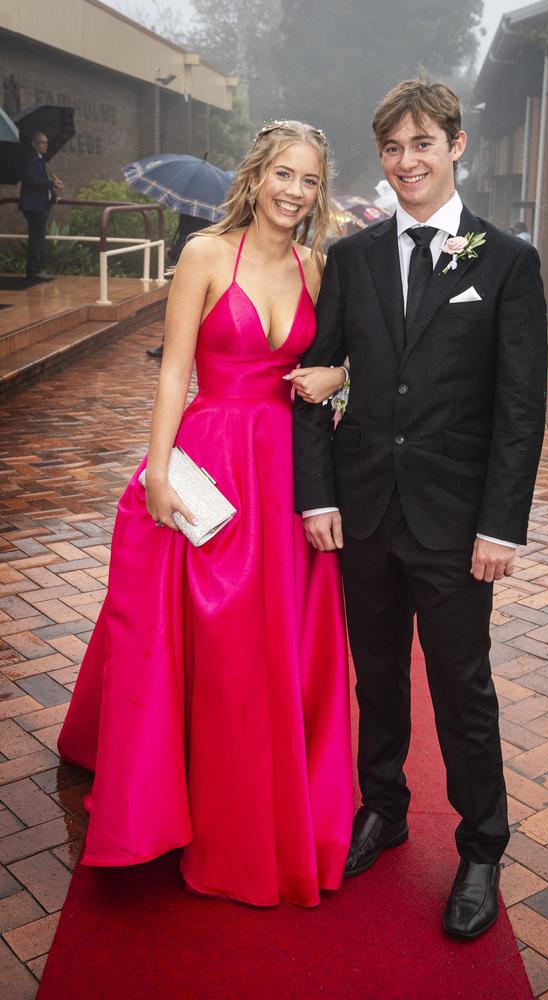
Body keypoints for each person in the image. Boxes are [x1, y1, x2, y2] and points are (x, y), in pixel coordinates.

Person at [57, 121, 353, 907]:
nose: (296, 192)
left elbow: (333, 365)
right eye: (284, 175)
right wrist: (157, 473)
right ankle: (177, 789)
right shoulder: (203, 255)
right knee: (204, 634)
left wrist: (337, 379)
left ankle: (260, 792)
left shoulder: (317, 266)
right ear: (257, 176)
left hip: (288, 468)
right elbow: (174, 372)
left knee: (276, 640)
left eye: (311, 181)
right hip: (213, 457)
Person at [293, 79, 547, 940]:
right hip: (362, 509)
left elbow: (519, 407)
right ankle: (384, 806)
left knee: (462, 687)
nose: (407, 163)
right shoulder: (353, 257)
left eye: (422, 145)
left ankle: (481, 847)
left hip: (453, 522)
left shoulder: (507, 261)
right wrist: (317, 493)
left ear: (456, 144)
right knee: (378, 677)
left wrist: (500, 525)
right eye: (393, 149)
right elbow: (317, 381)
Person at [146, 213, 210, 358]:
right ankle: (170, 344)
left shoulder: (194, 211)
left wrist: (175, 251)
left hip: (193, 260)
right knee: (182, 307)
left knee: (182, 306)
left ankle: (172, 345)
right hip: (191, 258)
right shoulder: (206, 211)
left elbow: (188, 233)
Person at [19, 131, 63, 281]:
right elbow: (30, 179)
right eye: (41, 142)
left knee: (38, 238)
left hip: (40, 205)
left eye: (46, 142)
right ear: (33, 144)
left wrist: (53, 195)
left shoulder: (40, 160)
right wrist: (51, 183)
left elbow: (42, 182)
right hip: (34, 206)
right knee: (36, 239)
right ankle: (34, 271)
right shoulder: (31, 158)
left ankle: (35, 270)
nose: (45, 145)